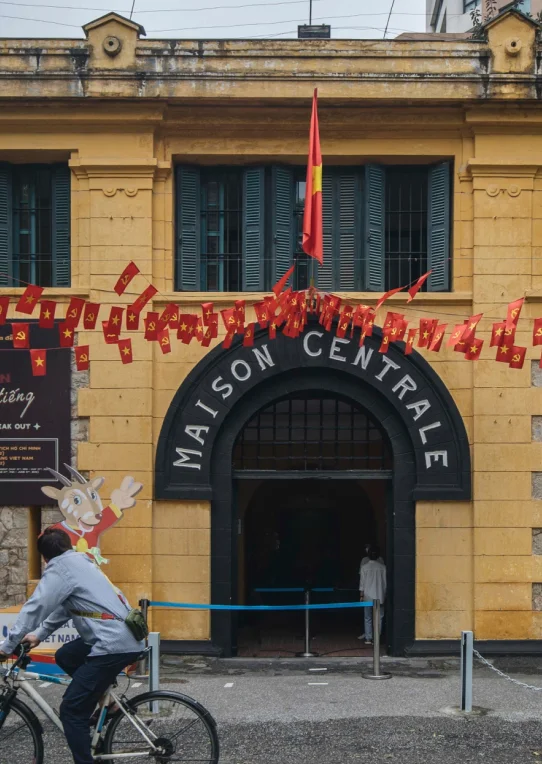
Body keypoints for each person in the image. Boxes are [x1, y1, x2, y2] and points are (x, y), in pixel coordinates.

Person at [0, 528, 144, 764]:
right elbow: (67, 607)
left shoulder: (60, 568)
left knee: (71, 711)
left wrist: (8, 646)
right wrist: (39, 635)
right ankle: (107, 701)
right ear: (68, 545)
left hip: (112, 643)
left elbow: (35, 608)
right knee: (66, 655)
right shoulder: (80, 561)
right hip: (123, 636)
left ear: (45, 558)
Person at [358, 546, 386, 645]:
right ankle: (376, 638)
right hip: (379, 595)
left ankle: (368, 638)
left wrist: (361, 596)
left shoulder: (364, 567)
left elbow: (362, 584)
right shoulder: (383, 568)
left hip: (367, 596)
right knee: (379, 617)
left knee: (368, 617)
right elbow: (385, 584)